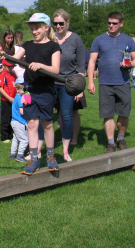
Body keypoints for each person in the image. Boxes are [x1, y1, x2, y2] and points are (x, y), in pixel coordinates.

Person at [11, 13, 61, 175]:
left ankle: (51, 157)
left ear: (47, 28)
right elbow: (15, 59)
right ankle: (34, 159)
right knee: (32, 124)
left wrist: (40, 66)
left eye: (37, 28)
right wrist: (5, 56)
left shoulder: (54, 46)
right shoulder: (27, 45)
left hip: (46, 91)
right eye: (32, 28)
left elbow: (55, 69)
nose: (34, 31)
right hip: (28, 90)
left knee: (47, 123)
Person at [87, 11, 135, 153]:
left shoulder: (128, 40)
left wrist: (130, 65)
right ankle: (111, 143)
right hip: (105, 83)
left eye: (114, 23)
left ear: (121, 24)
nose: (111, 25)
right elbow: (92, 62)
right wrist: (90, 82)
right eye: (109, 23)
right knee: (107, 114)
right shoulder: (99, 40)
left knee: (124, 112)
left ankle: (121, 138)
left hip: (123, 82)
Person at [53, 9, 85, 162]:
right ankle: (39, 149)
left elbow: (81, 66)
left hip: (68, 84)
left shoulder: (76, 39)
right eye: (56, 23)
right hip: (51, 83)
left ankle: (66, 150)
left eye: (61, 23)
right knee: (45, 116)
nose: (58, 26)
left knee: (67, 116)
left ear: (67, 23)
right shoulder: (50, 39)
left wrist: (79, 88)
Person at [9, 82, 29, 163]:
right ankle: (20, 155)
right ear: (17, 90)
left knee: (16, 138)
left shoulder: (16, 98)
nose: (24, 91)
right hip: (20, 122)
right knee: (24, 139)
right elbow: (22, 112)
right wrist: (29, 111)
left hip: (14, 121)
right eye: (22, 89)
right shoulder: (20, 99)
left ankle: (13, 154)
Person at [0, 59, 16, 143]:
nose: (10, 68)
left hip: (14, 99)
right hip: (6, 100)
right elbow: (1, 88)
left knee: (13, 118)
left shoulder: (13, 74)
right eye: (9, 66)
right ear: (4, 66)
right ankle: (4, 137)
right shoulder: (3, 74)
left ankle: (11, 135)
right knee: (5, 119)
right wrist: (9, 98)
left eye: (11, 66)